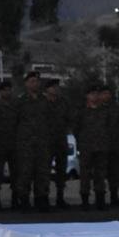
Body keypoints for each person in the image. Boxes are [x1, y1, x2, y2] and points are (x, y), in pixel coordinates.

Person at [14, 71, 51, 211]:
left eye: (36, 81)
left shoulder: (44, 100)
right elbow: (14, 122)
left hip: (42, 143)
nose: (34, 83)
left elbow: (50, 121)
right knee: (25, 172)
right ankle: (24, 201)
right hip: (25, 143)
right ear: (26, 83)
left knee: (42, 173)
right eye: (31, 81)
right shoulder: (20, 101)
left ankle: (41, 200)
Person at [73, 86, 111, 210]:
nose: (95, 96)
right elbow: (76, 128)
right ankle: (85, 200)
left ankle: (100, 200)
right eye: (92, 94)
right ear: (87, 96)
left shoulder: (105, 111)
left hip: (101, 146)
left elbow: (109, 127)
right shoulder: (81, 111)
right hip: (86, 147)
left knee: (100, 174)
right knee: (85, 174)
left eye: (97, 94)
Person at [0, 80, 17, 210]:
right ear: (0, 92)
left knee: (16, 174)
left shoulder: (16, 107)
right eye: (5, 90)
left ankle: (15, 200)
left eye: (9, 89)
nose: (8, 92)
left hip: (14, 145)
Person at [44, 79, 71, 208]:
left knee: (61, 172)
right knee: (44, 172)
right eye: (53, 87)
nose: (56, 89)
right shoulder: (42, 103)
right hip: (46, 142)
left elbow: (69, 120)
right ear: (47, 89)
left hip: (60, 141)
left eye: (57, 87)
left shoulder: (64, 103)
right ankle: (44, 198)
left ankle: (60, 197)